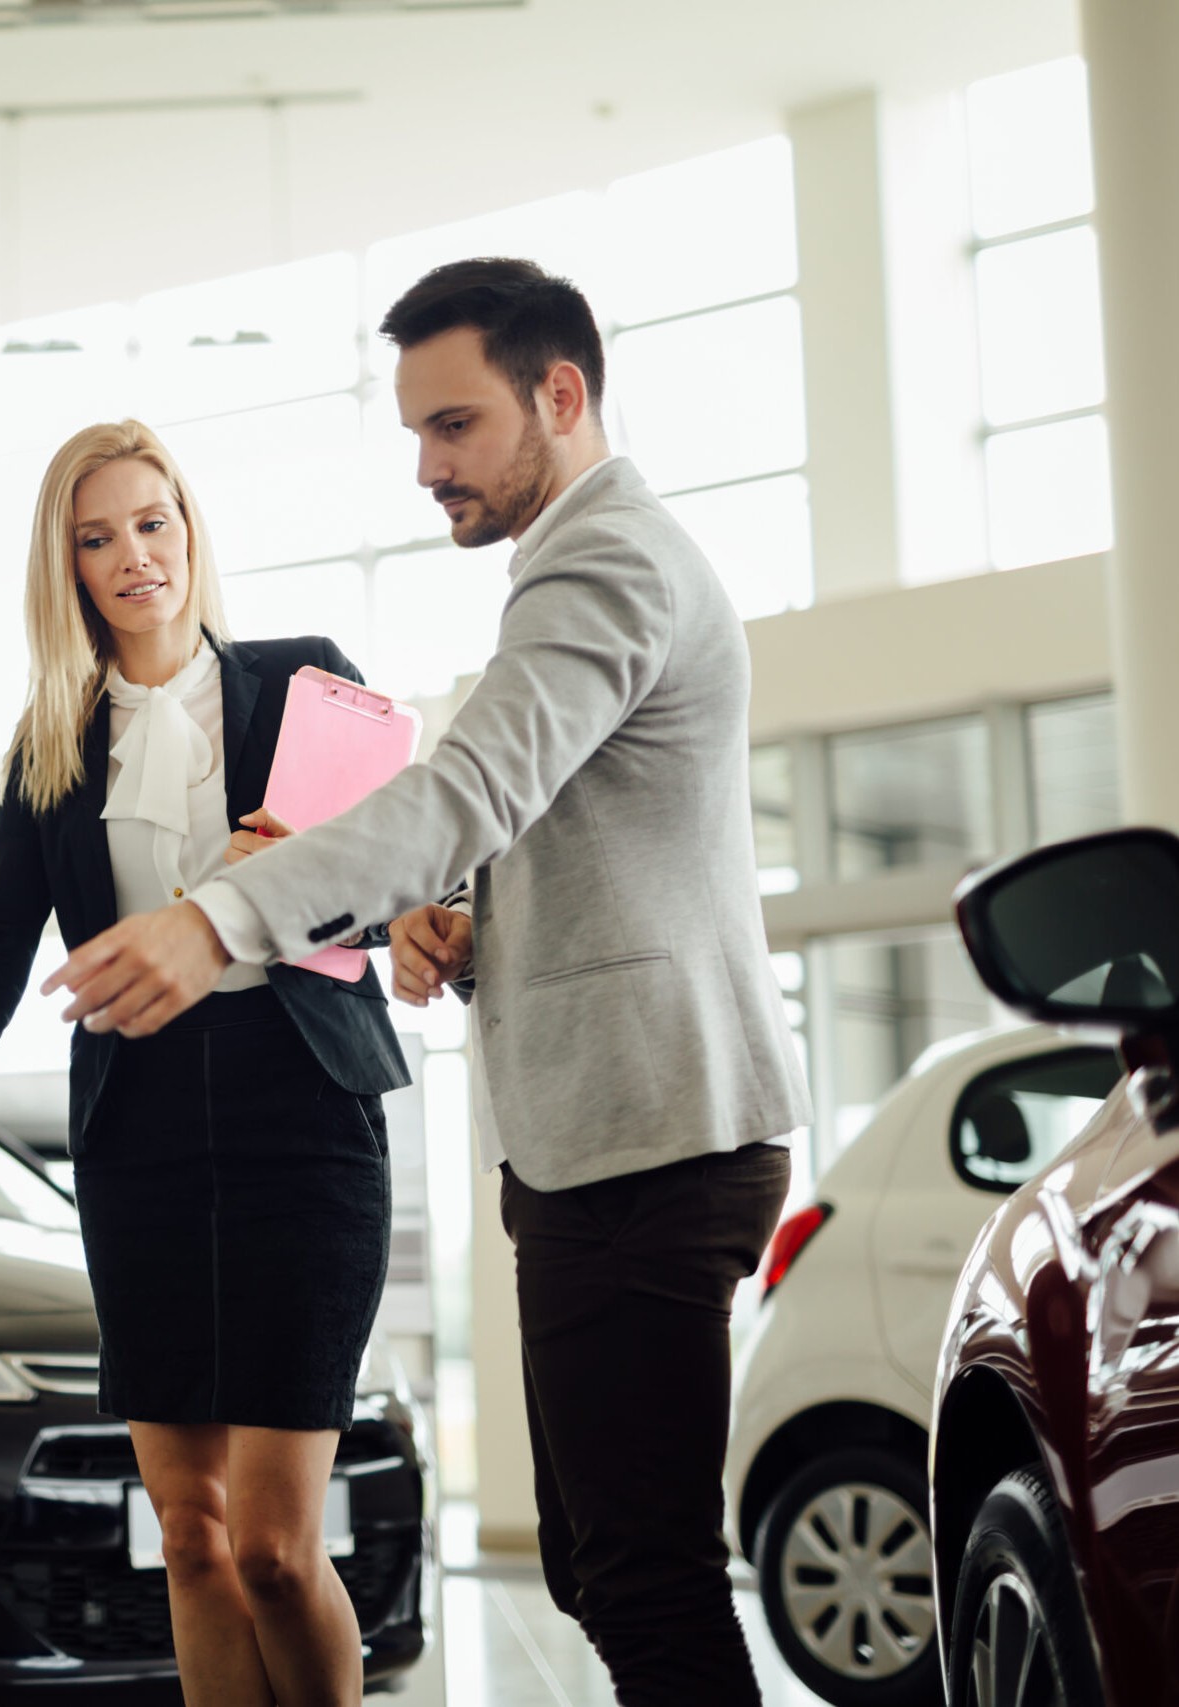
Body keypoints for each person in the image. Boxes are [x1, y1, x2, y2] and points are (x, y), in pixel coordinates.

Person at [45, 259, 811, 1707]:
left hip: (656, 1132)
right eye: (414, 433)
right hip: (604, 1136)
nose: (426, 468)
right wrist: (458, 918)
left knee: (640, 1580)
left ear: (561, 394)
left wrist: (219, 918)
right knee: (601, 1568)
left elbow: (469, 786)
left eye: (453, 427)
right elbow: (533, 824)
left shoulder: (609, 561)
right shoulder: (577, 566)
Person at [0, 418, 411, 1707]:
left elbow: (397, 884)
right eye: (98, 537)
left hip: (304, 1116)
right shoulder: (51, 747)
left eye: (152, 523)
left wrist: (343, 879)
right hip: (145, 1137)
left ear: (189, 529)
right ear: (67, 568)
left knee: (281, 1548)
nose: (135, 556)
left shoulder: (302, 684)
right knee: (191, 1538)